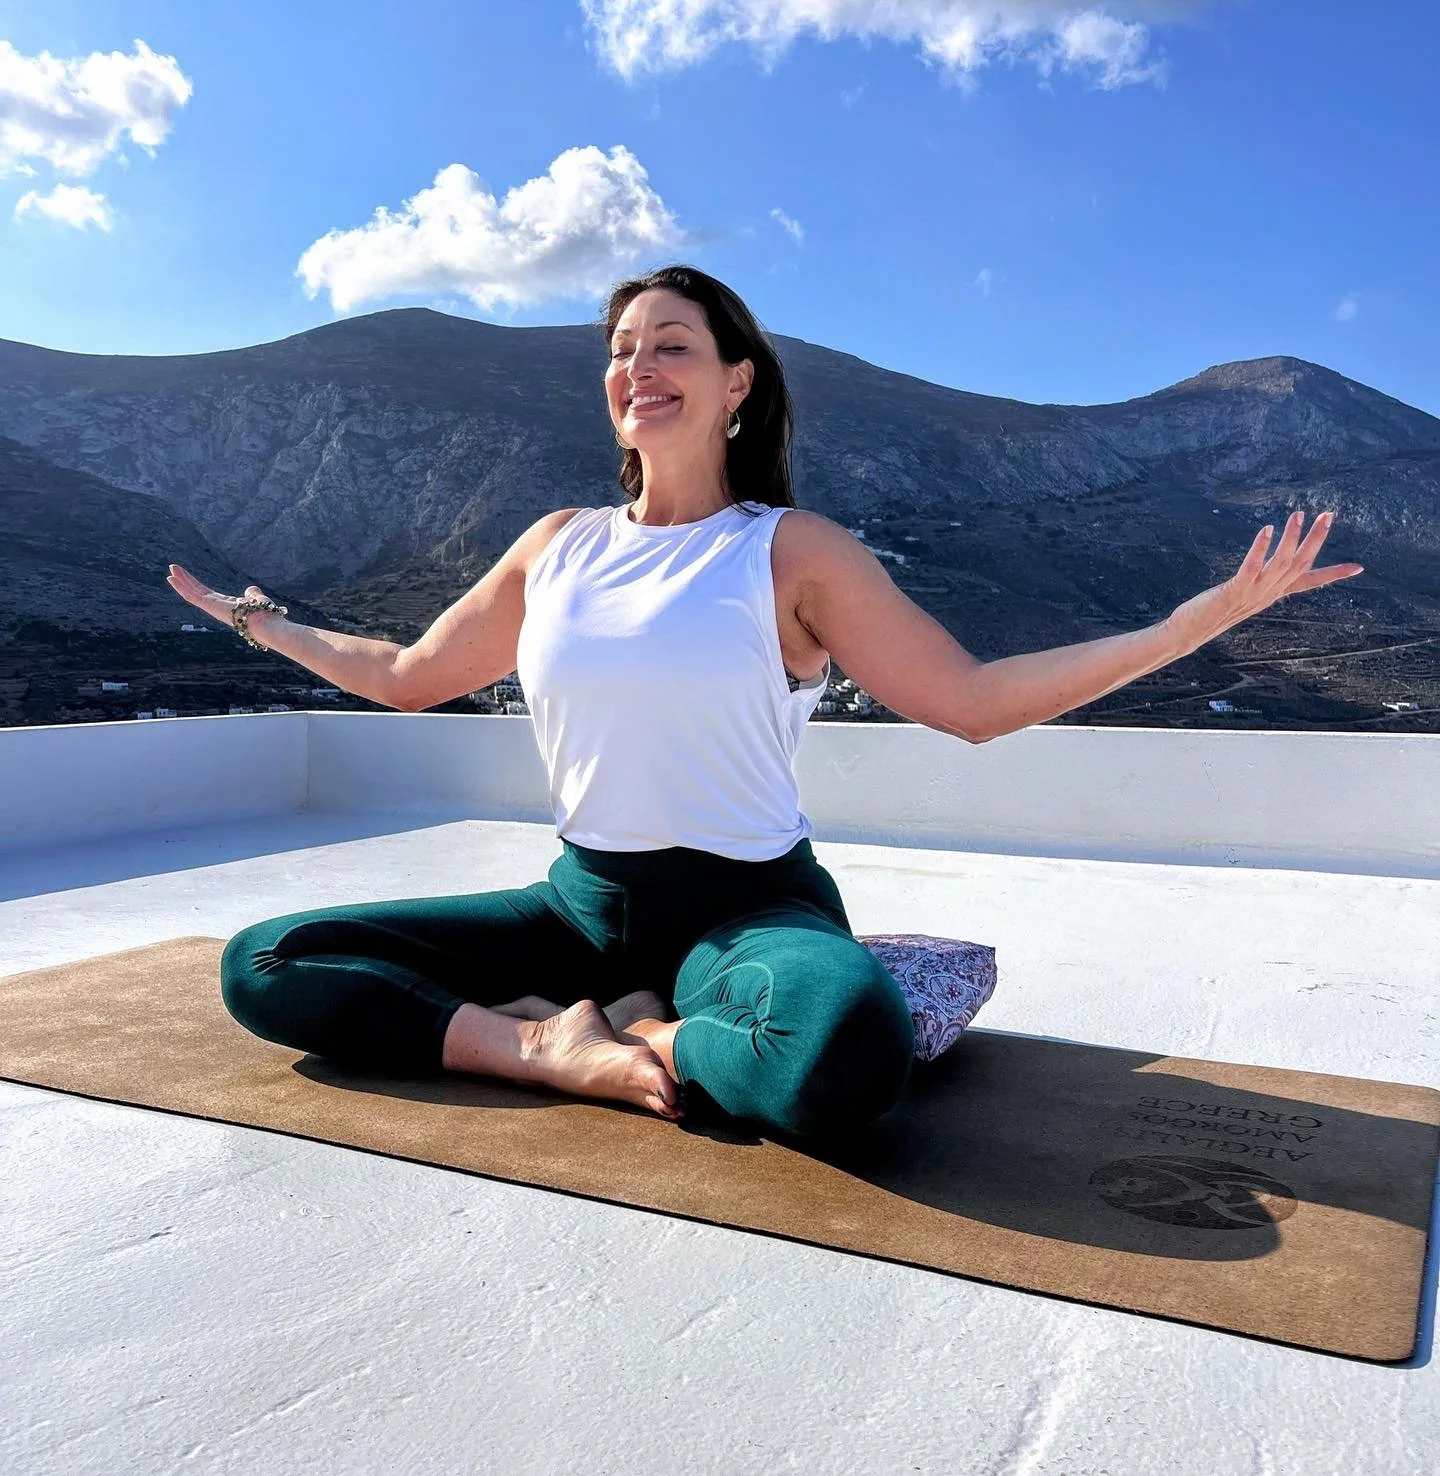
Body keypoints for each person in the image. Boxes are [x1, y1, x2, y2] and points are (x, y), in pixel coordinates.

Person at [166, 263, 1364, 1136]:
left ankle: (661, 1032)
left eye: (671, 344)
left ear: (737, 382)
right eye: (622, 349)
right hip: (579, 908)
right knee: (268, 964)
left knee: (845, 1051)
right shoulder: (556, 546)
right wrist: (252, 618)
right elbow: (406, 676)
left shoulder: (791, 553)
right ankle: (547, 1045)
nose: (639, 367)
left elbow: (972, 701)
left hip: (751, 906)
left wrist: (1183, 628)